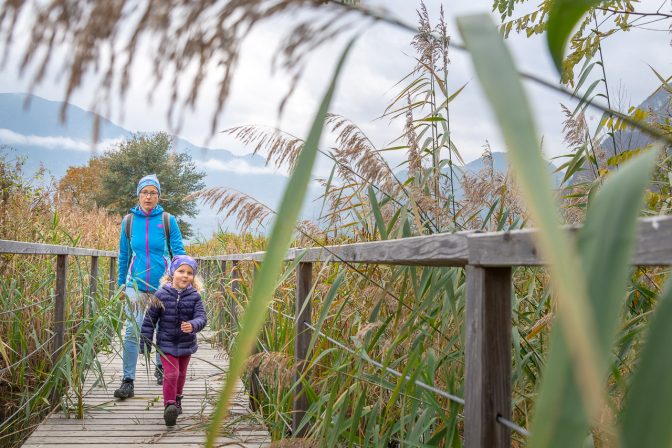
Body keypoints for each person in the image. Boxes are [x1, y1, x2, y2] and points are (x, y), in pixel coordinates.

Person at [114, 174, 186, 400]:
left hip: (163, 285)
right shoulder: (129, 222)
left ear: (158, 196)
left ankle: (161, 368)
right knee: (132, 330)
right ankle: (128, 380)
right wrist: (120, 285)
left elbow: (179, 252)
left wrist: (182, 279)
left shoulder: (167, 220)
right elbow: (124, 255)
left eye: (153, 193)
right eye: (144, 192)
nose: (148, 197)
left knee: (163, 329)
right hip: (135, 284)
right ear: (138, 195)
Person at [140, 255, 207, 427]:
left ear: (194, 277)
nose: (185, 275)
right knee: (172, 373)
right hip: (166, 343)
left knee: (182, 374)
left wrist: (192, 325)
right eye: (181, 271)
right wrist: (145, 341)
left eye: (190, 273)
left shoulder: (194, 296)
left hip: (186, 343)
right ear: (171, 273)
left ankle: (177, 399)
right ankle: (169, 405)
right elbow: (149, 320)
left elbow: (201, 317)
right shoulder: (161, 294)